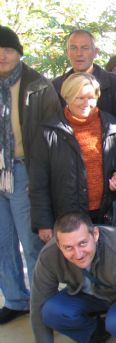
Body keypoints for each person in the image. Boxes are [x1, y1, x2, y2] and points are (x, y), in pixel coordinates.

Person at [0, 26, 60, 324]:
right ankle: (14, 299)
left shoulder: (38, 85)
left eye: (8, 49)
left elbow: (53, 135)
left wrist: (41, 179)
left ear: (19, 52)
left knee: (32, 242)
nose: (2, 54)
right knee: (2, 240)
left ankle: (43, 302)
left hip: (25, 172)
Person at [29, 72, 116, 238]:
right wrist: (43, 224)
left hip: (108, 215)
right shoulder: (48, 132)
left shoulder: (115, 127)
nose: (86, 103)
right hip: (67, 218)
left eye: (91, 97)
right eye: (79, 98)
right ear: (67, 97)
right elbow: (38, 184)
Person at [31, 212, 116, 342]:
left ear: (95, 234)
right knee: (51, 311)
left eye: (83, 243)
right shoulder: (48, 256)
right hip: (87, 294)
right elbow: (38, 304)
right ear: (59, 245)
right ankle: (95, 333)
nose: (78, 255)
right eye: (68, 247)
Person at [52, 30, 116, 116]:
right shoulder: (56, 86)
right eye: (73, 48)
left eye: (85, 48)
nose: (79, 53)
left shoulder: (114, 83)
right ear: (67, 53)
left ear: (95, 52)